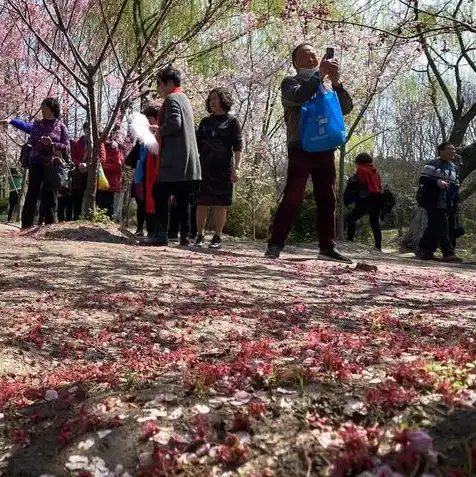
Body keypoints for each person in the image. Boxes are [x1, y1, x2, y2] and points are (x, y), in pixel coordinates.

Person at [265, 43, 354, 261]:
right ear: (295, 62)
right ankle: (275, 244)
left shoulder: (325, 85)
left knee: (327, 197)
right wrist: (321, 75)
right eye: (306, 56)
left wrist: (336, 82)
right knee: (293, 195)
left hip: (324, 146)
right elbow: (297, 98)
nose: (312, 59)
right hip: (301, 145)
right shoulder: (291, 82)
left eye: (314, 55)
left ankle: (327, 246)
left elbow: (346, 108)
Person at [144, 65, 201, 247]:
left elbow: (175, 122)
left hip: (173, 162)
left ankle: (161, 234)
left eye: (160, 84)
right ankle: (185, 236)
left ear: (169, 83)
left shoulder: (171, 99)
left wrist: (159, 131)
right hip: (188, 162)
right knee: (183, 199)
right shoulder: (184, 98)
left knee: (159, 192)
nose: (159, 89)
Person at [1, 98, 70, 228]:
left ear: (52, 108)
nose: (42, 109)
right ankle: (26, 225)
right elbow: (25, 126)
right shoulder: (37, 125)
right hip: (36, 163)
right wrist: (11, 121)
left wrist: (52, 144)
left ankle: (49, 225)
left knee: (50, 195)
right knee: (33, 193)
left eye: (44, 106)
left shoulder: (61, 127)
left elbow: (66, 147)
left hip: (52, 165)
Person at [194, 87, 242, 249]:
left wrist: (237, 167)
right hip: (204, 166)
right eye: (210, 99)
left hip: (223, 167)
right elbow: (197, 145)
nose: (212, 102)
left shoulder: (232, 122)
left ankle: (217, 237)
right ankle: (199, 235)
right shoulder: (205, 122)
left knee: (220, 203)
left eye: (215, 98)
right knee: (201, 202)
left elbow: (237, 146)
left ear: (224, 100)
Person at [415, 142, 462, 262]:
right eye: (450, 149)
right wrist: (437, 183)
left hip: (447, 202)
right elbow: (423, 179)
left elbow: (456, 185)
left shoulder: (454, 167)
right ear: (441, 151)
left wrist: (456, 201)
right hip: (432, 200)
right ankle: (448, 253)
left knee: (434, 226)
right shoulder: (433, 164)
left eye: (454, 149)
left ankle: (425, 251)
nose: (453, 151)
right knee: (442, 225)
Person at [125, 106, 160, 236]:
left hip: (154, 175)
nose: (149, 122)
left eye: (150, 119)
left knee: (153, 202)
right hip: (141, 175)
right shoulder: (141, 139)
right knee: (141, 202)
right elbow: (131, 159)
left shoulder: (159, 136)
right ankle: (140, 228)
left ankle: (153, 230)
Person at [346, 152, 383, 250]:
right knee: (375, 223)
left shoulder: (361, 170)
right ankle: (378, 247)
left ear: (359, 162)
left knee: (351, 219)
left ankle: (350, 240)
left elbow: (360, 185)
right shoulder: (375, 171)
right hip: (377, 198)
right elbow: (379, 186)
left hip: (366, 199)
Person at [71, 122, 107, 220]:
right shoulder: (78, 142)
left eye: (90, 129)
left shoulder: (99, 142)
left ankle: (92, 218)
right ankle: (76, 218)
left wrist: (89, 164)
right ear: (84, 130)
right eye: (86, 129)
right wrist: (79, 164)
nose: (88, 131)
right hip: (80, 173)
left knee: (94, 197)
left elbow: (103, 158)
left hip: (93, 174)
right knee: (77, 197)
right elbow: (73, 157)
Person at [97, 128, 124, 219]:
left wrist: (102, 167)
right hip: (99, 182)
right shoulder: (98, 148)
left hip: (110, 183)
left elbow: (117, 166)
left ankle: (108, 224)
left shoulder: (114, 149)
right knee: (99, 204)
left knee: (108, 206)